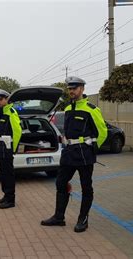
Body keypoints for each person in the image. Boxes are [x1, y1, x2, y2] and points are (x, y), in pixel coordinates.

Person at [41, 76, 107, 233]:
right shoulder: (69, 109)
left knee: (86, 188)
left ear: (82, 89)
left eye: (74, 88)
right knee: (60, 183)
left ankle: (82, 220)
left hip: (84, 154)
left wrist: (93, 149)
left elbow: (102, 132)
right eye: (70, 88)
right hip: (69, 153)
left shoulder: (91, 109)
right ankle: (59, 217)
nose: (71, 91)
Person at [0, 89, 22, 209]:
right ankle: (6, 195)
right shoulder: (2, 112)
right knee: (3, 173)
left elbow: (17, 131)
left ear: (6, 99)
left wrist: (13, 148)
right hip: (1, 147)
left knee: (8, 174)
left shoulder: (11, 112)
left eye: (1, 99)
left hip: (8, 148)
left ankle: (10, 199)